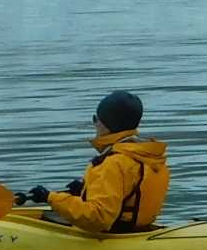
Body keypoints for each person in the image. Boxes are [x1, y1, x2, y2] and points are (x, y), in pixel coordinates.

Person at [21, 90, 169, 233]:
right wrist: (86, 190)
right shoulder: (148, 155)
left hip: (112, 235)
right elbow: (128, 191)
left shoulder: (112, 162)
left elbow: (98, 218)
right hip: (137, 230)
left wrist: (50, 197)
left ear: (105, 123)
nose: (95, 124)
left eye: (95, 119)